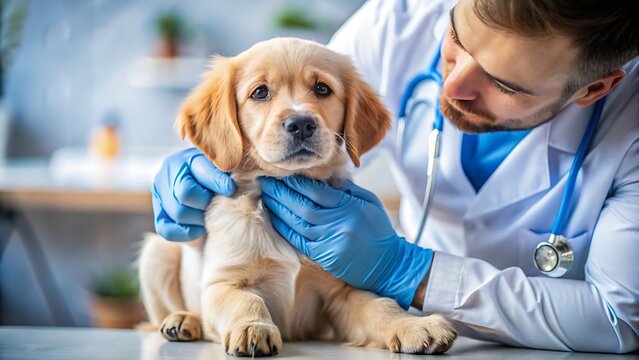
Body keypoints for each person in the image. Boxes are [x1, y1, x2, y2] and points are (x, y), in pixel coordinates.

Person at [151, 0, 639, 353]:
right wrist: (200, 157)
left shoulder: (630, 127)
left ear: (593, 88)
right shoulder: (393, 25)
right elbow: (283, 81)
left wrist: (408, 271)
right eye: (456, 39)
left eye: (504, 84)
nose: (453, 83)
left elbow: (621, 320)